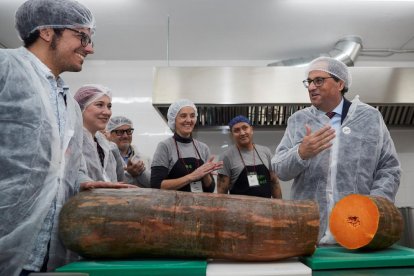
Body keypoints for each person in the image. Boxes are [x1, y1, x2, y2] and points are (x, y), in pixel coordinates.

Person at [0, 1, 131, 275]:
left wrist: (84, 183)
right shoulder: (6, 68)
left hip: (48, 253)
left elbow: (65, 167)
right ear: (47, 32)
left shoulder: (69, 104)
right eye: (82, 37)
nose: (90, 48)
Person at [272, 57, 401, 244]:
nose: (311, 87)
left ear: (340, 83)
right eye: (308, 82)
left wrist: (372, 206)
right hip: (309, 232)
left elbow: (389, 168)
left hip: (358, 229)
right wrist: (301, 153)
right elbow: (279, 169)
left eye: (319, 80)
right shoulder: (298, 121)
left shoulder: (370, 118)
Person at [151, 99, 223, 192]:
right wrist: (192, 176)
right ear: (174, 120)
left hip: (199, 205)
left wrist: (204, 174)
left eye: (192, 116)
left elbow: (210, 189)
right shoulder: (165, 146)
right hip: (174, 205)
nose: (189, 120)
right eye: (183, 116)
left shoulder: (203, 148)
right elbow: (156, 185)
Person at [74, 84, 138, 185]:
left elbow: (120, 181)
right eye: (99, 105)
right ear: (82, 107)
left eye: (109, 106)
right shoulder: (71, 141)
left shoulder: (108, 147)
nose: (107, 112)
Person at [217, 115, 282, 198]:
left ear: (251, 129)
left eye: (245, 128)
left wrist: (279, 206)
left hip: (265, 208)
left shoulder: (266, 152)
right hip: (238, 209)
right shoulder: (226, 157)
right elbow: (222, 192)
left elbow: (274, 182)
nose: (242, 133)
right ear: (232, 134)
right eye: (236, 130)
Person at [107, 116, 151, 187]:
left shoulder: (145, 159)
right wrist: (130, 174)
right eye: (120, 132)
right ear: (109, 134)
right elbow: (106, 184)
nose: (125, 136)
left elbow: (153, 184)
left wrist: (141, 173)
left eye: (128, 131)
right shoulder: (104, 158)